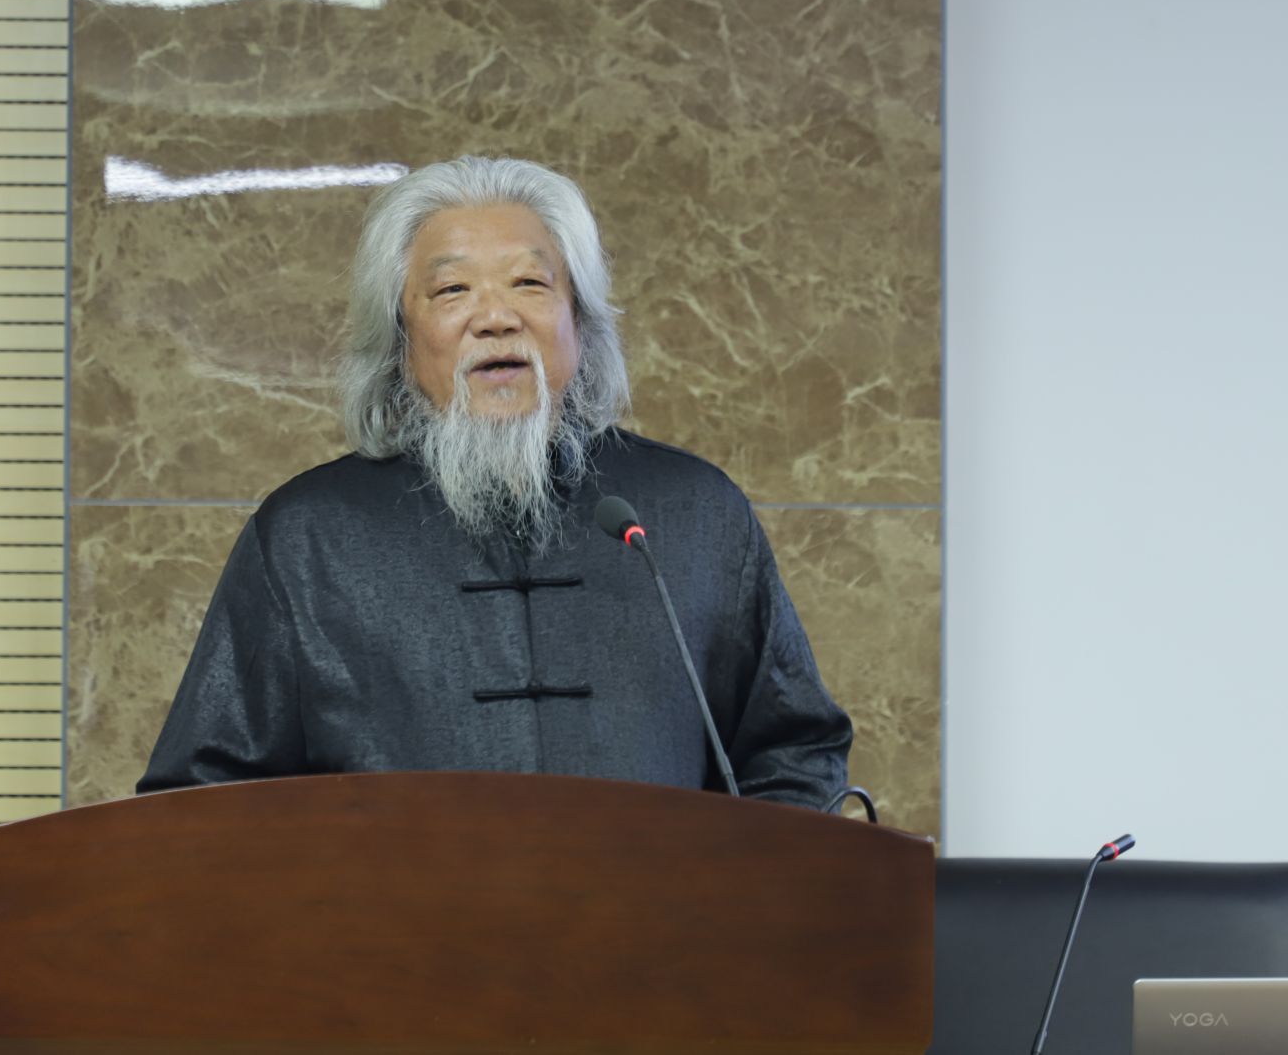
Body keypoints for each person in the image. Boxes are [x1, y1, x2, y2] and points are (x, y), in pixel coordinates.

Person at [137, 156, 852, 806]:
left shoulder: (693, 513)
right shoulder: (309, 537)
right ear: (399, 340)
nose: (497, 318)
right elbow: (201, 798)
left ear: (579, 323)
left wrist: (732, 894)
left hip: (658, 915)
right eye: (452, 290)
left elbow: (792, 753)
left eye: (530, 283)